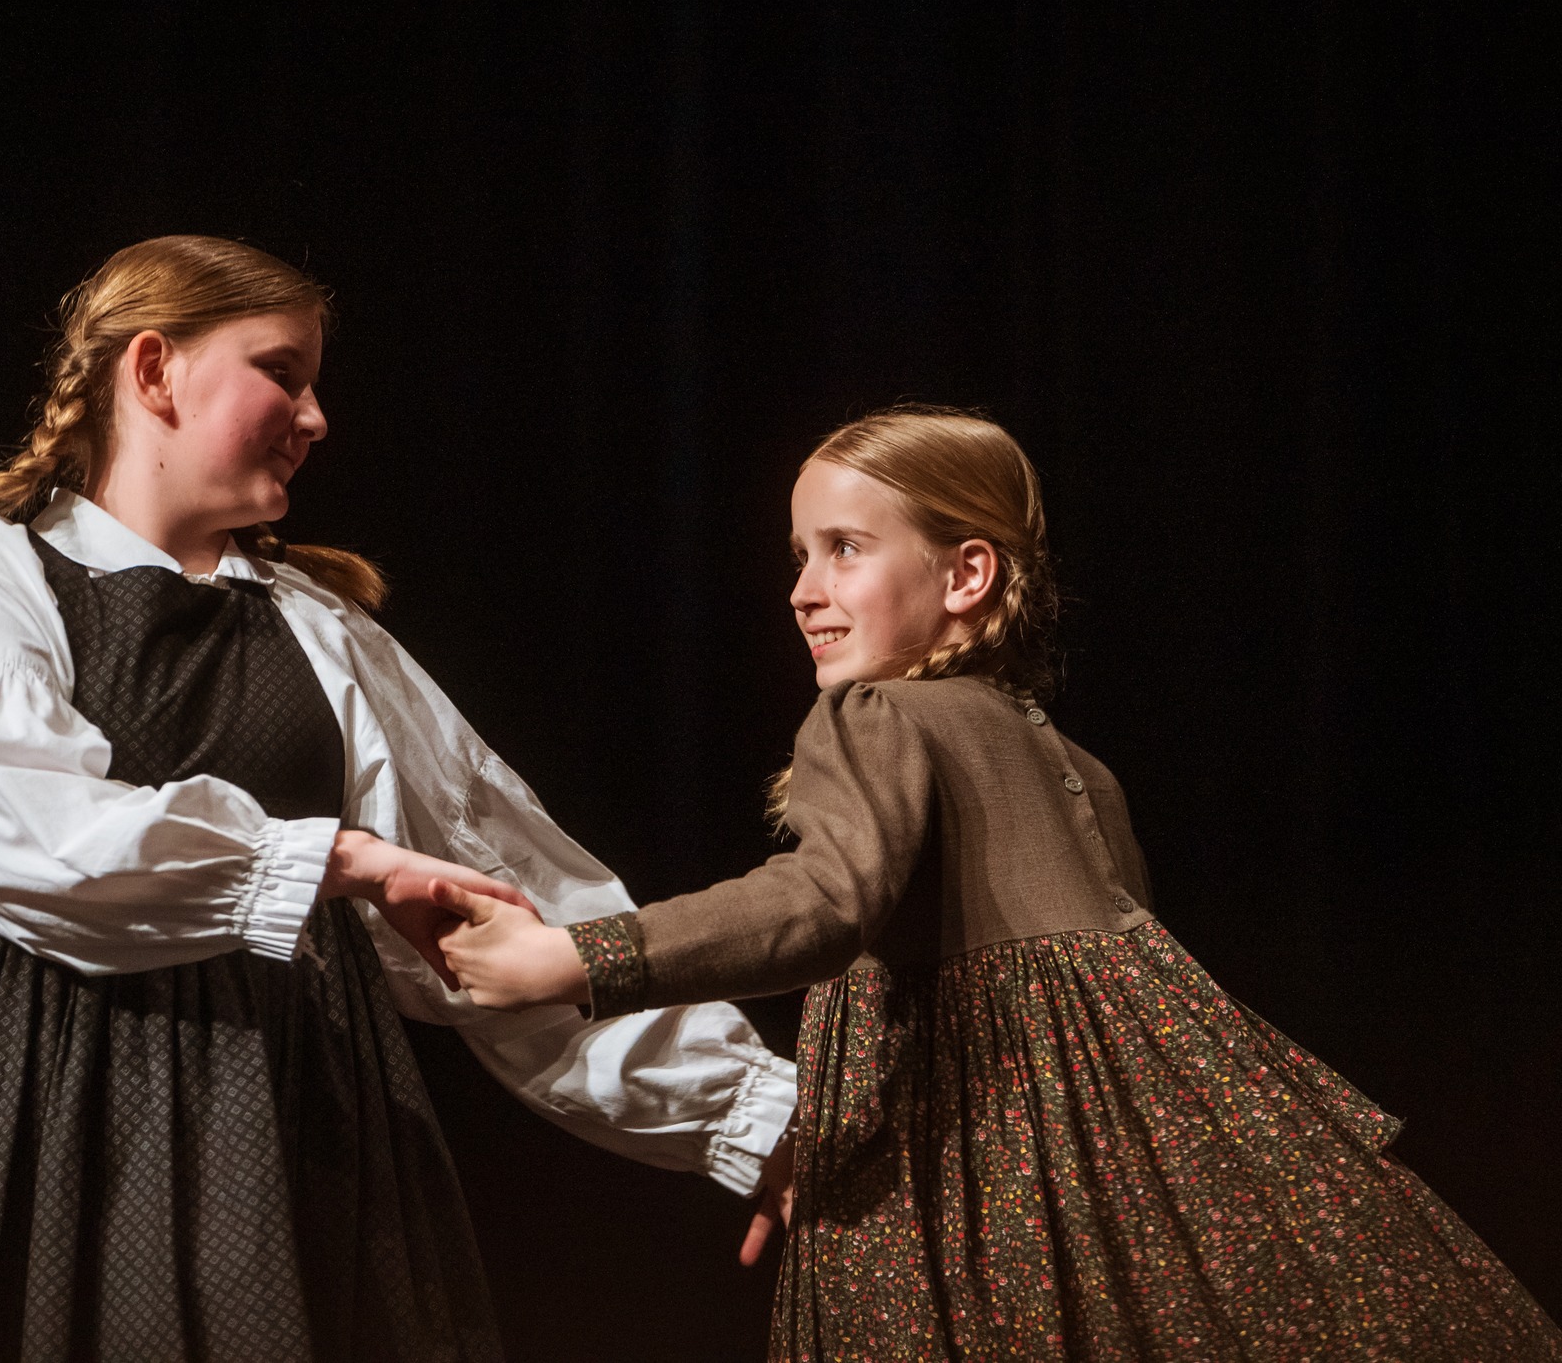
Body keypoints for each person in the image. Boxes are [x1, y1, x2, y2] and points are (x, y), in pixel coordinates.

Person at [0, 236, 795, 1362]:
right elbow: (24, 830)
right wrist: (337, 860)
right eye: (281, 373)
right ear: (154, 370)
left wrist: (753, 1113)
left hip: (287, 1120)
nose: (316, 416)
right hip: (34, 1101)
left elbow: (510, 896)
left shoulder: (317, 626)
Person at [437, 408, 1562, 1360]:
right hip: (1121, 1184)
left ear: (967, 573)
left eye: (843, 549)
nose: (803, 590)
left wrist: (577, 957)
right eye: (798, 556)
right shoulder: (1076, 761)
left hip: (967, 1190)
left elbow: (820, 904)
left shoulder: (874, 714)